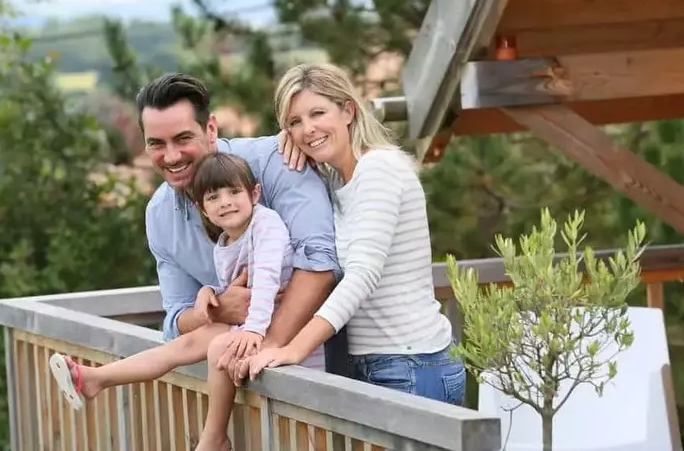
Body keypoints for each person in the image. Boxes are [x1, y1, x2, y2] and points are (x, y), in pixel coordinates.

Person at [212, 63, 465, 407]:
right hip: (371, 365)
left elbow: (361, 277)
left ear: (348, 110)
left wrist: (288, 348)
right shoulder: (333, 180)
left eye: (318, 113)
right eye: (294, 122)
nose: (308, 129)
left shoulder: (380, 170)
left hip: (412, 366)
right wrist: (280, 144)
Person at [48, 152, 323, 420]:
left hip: (282, 330)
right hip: (254, 327)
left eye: (233, 192)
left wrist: (253, 329)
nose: (225, 202)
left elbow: (266, 278)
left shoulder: (266, 224)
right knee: (185, 343)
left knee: (216, 348)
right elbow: (235, 288)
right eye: (213, 197)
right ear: (203, 208)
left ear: (254, 193)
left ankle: (214, 438)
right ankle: (95, 378)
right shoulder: (224, 243)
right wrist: (210, 293)